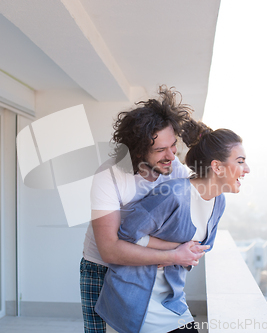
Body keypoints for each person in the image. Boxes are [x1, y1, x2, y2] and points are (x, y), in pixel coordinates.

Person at [95, 124, 250, 333]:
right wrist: (174, 252)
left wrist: (180, 253)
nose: (247, 169)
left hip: (173, 300)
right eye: (240, 162)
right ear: (217, 167)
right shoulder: (173, 193)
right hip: (139, 300)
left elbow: (197, 250)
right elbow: (127, 235)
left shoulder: (218, 202)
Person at [80, 86, 210, 333]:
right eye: (160, 150)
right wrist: (173, 254)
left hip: (150, 264)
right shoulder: (108, 176)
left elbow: (192, 227)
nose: (171, 156)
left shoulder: (176, 172)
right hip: (101, 267)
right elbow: (109, 249)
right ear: (138, 150)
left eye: (173, 146)